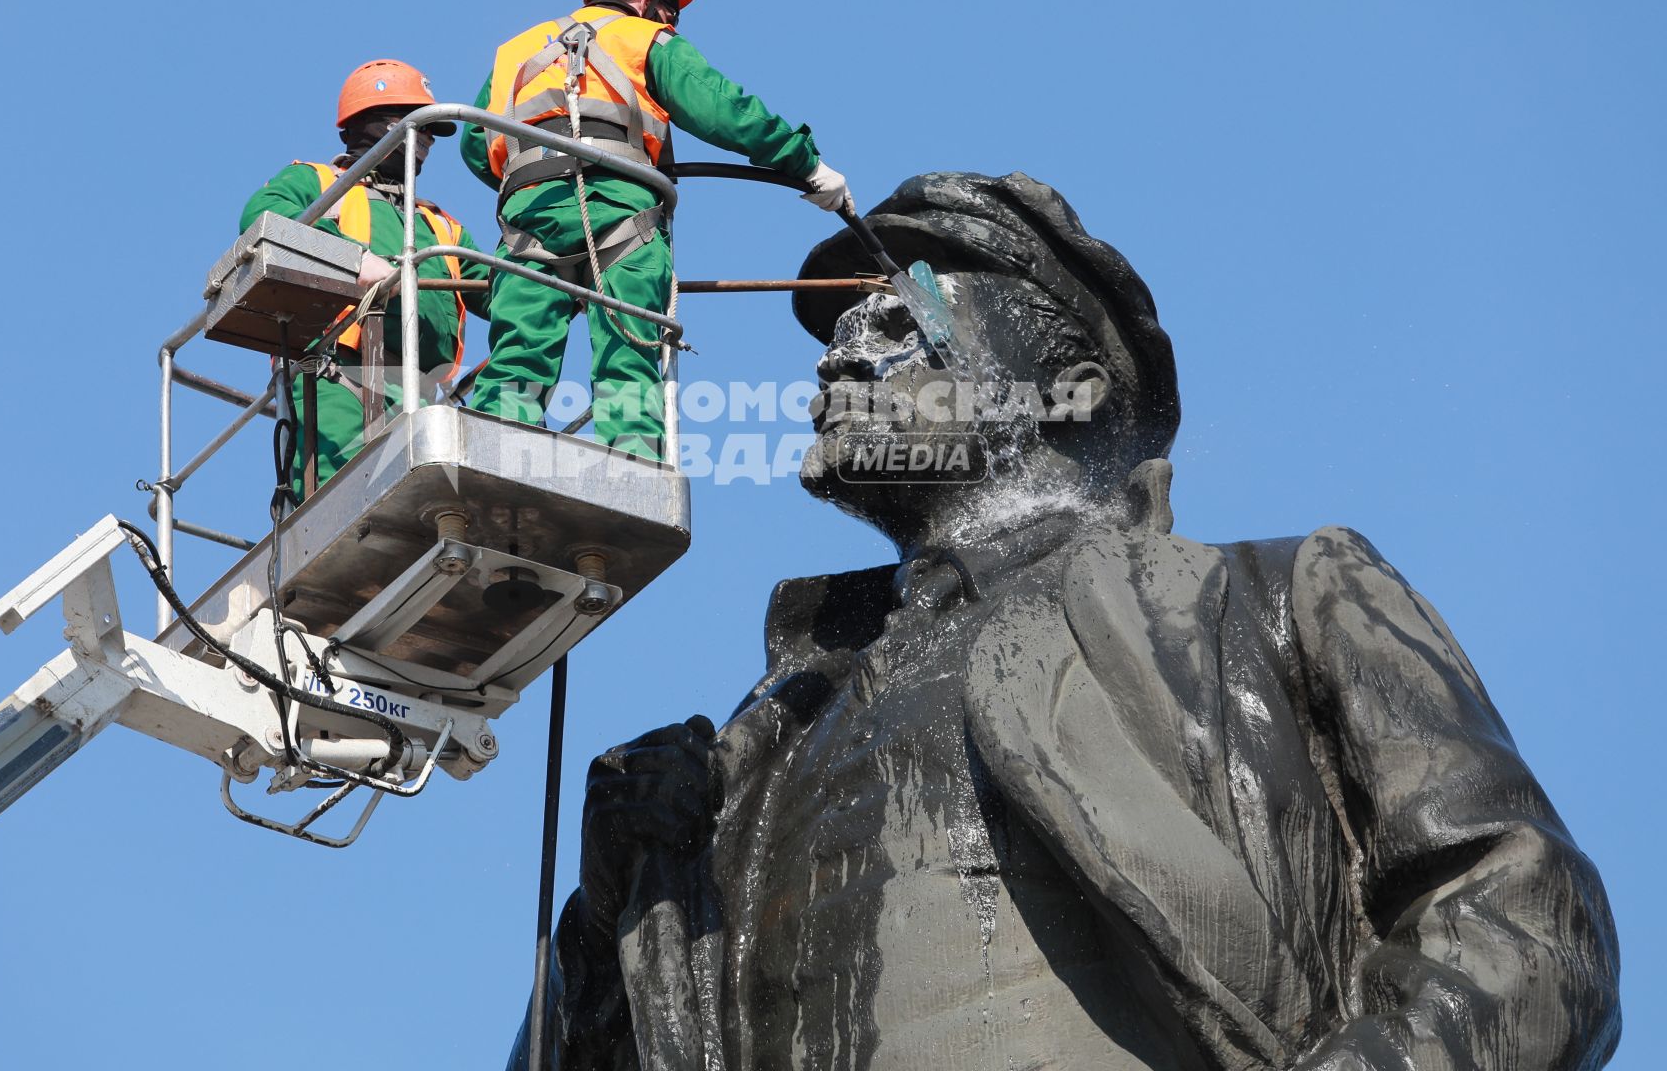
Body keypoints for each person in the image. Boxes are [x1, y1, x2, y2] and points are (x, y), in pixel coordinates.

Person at [515, 173, 1621, 1070]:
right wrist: (620, 915)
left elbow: (1523, 928)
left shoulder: (1271, 599)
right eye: (841, 327)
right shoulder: (757, 750)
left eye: (902, 322)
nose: (842, 351)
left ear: (1070, 386)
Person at [460, 0, 852, 461]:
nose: (672, 24)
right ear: (647, 1)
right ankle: (632, 465)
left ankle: (491, 455)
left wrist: (537, 181)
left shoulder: (516, 49)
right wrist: (806, 165)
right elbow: (722, 109)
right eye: (670, 11)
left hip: (529, 218)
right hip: (622, 214)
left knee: (519, 350)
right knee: (630, 347)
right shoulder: (645, 39)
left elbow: (473, 144)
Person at [240, 59, 488, 490]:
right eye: (420, 125)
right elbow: (263, 220)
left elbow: (502, 289)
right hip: (337, 380)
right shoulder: (318, 182)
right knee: (348, 499)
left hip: (422, 395)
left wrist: (564, 275)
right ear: (373, 122)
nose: (428, 139)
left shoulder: (439, 225)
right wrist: (354, 260)